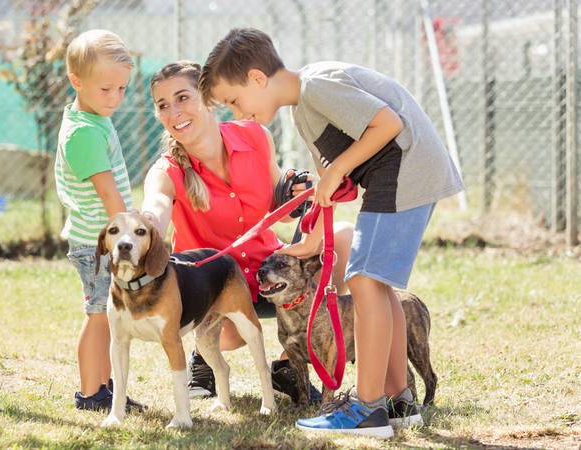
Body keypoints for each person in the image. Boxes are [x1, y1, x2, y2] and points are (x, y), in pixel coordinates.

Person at [199, 28, 464, 439]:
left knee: (363, 281)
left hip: (407, 172)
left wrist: (339, 170)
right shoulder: (302, 109)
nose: (238, 114)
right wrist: (320, 216)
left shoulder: (316, 85)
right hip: (394, 176)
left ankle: (368, 409)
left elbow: (387, 124)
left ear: (256, 78)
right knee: (375, 284)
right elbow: (337, 177)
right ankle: (397, 399)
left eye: (234, 101)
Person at [141, 61, 354, 403]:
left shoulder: (255, 136)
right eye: (163, 105)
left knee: (342, 236)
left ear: (208, 98)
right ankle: (204, 356)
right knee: (233, 337)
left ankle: (289, 364)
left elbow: (278, 205)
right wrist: (148, 220)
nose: (173, 112)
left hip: (268, 271)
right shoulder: (166, 171)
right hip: (217, 289)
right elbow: (157, 205)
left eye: (182, 97)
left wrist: (294, 194)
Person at [54, 29, 144, 412]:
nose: (116, 98)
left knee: (109, 315)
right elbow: (108, 194)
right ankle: (92, 393)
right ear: (77, 82)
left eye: (122, 89)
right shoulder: (83, 134)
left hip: (104, 238)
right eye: (106, 89)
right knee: (99, 315)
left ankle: (106, 388)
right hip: (97, 243)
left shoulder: (92, 117)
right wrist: (133, 232)